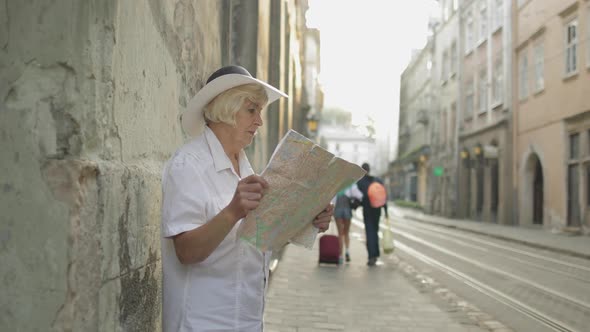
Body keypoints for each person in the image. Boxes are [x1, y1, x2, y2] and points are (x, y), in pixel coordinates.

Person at [160, 65, 333, 331]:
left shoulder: (247, 169)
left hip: (248, 321)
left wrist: (307, 218)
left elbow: (258, 242)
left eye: (260, 112)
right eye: (251, 110)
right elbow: (186, 251)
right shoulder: (188, 165)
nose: (259, 121)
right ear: (225, 110)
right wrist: (232, 212)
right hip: (201, 323)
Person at [356, 162, 389, 266]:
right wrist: (386, 211)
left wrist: (354, 206)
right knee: (375, 231)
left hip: (367, 211)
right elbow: (383, 196)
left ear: (362, 170)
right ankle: (376, 254)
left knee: (369, 232)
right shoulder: (378, 180)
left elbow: (358, 198)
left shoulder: (361, 182)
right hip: (377, 210)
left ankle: (371, 256)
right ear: (369, 169)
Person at [331, 183, 363, 264]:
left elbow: (332, 201)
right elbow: (360, 196)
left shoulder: (337, 184)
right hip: (347, 211)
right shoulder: (351, 185)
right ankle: (347, 252)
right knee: (346, 233)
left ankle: (340, 256)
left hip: (338, 211)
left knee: (340, 234)